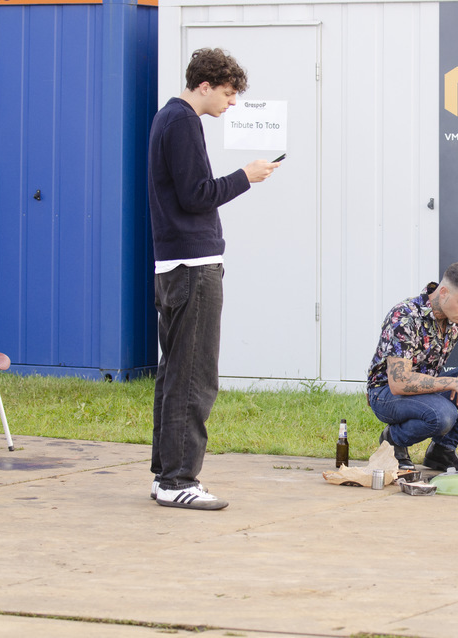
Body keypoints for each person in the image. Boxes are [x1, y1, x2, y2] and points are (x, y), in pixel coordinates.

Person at [147, 48, 279, 510]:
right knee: (194, 377)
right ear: (204, 85)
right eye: (227, 93)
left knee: (173, 373)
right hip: (193, 265)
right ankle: (178, 478)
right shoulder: (184, 121)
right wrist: (246, 176)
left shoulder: (167, 117)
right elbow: (197, 195)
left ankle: (166, 473)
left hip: (172, 263)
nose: (232, 103)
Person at [367, 259, 458, 471]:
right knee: (443, 415)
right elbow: (399, 382)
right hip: (387, 394)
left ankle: (442, 449)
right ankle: (393, 440)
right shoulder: (405, 317)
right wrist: (453, 383)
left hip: (430, 389)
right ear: (443, 292)